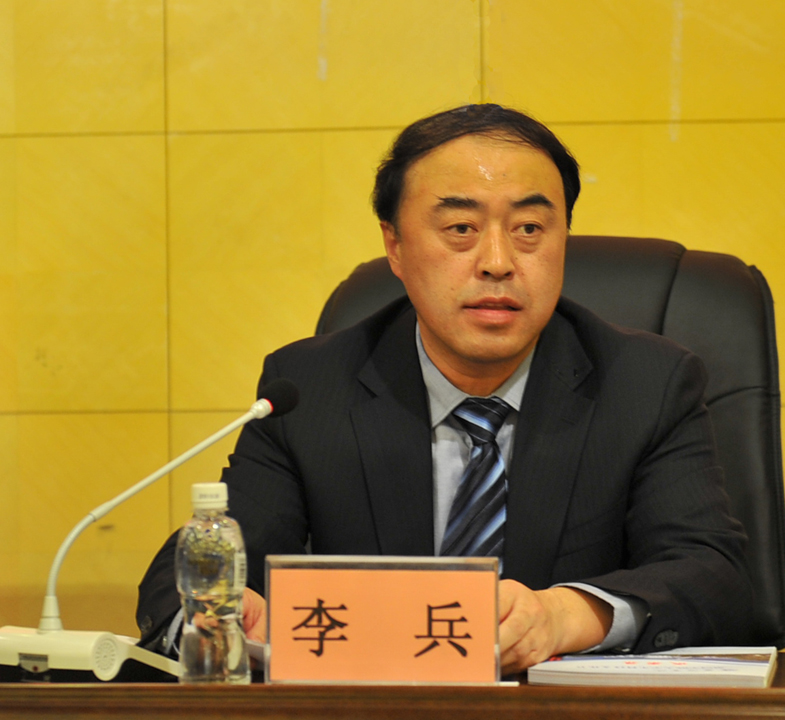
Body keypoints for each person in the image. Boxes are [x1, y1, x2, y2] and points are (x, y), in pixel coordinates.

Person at [137, 104, 752, 674]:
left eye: (530, 228)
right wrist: (219, 610)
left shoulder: (645, 384)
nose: (497, 261)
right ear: (396, 246)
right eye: (460, 228)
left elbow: (715, 577)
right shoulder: (310, 390)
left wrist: (566, 616)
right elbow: (180, 578)